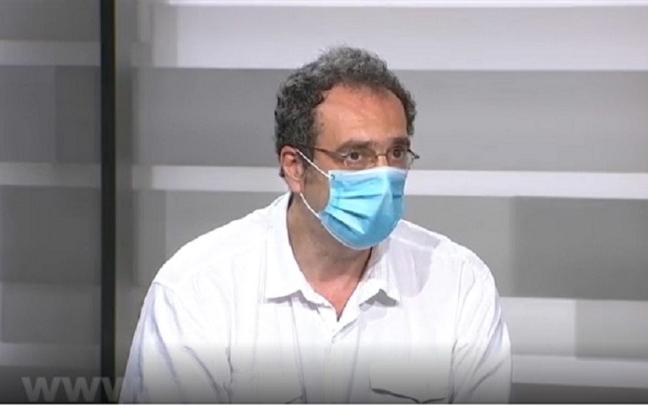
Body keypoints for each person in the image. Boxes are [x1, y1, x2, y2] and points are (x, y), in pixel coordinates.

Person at [119, 46, 511, 404]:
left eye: (396, 152)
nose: (383, 175)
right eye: (354, 155)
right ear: (295, 167)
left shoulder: (459, 284)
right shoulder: (199, 290)